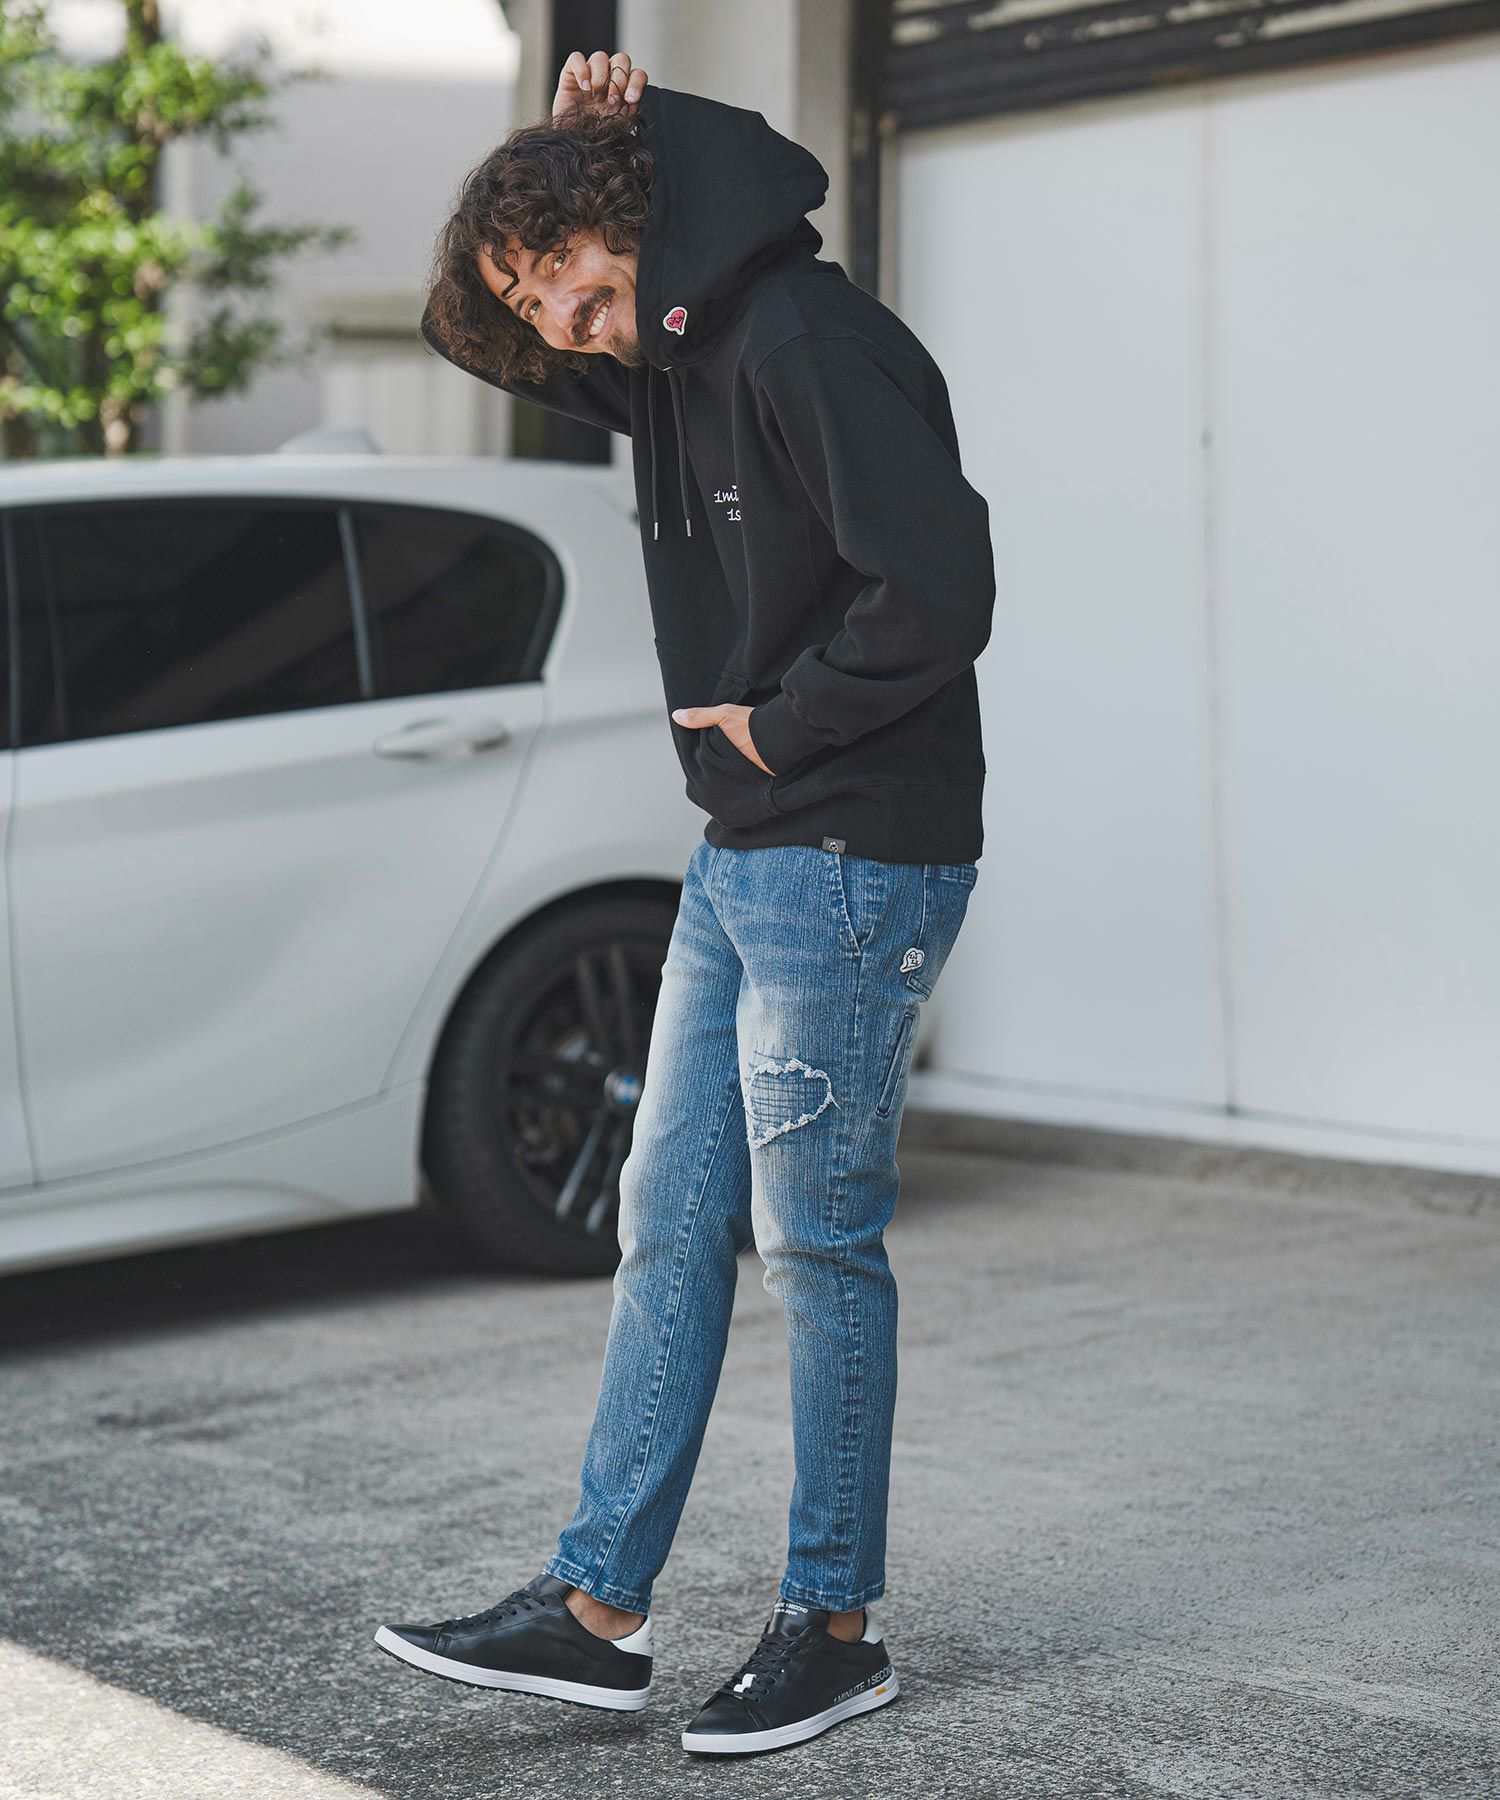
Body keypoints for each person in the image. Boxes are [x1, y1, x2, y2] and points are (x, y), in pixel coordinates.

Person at [374, 49, 995, 1758]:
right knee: (665, 1217)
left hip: (849, 843)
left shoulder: (793, 338)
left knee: (817, 1244)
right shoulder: (667, 351)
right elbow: (470, 338)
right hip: (749, 847)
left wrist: (783, 726)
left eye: (571, 284)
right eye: (544, 304)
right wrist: (575, 157)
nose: (561, 329)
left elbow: (943, 581)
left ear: (636, 227)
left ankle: (836, 1625)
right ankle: (597, 1614)